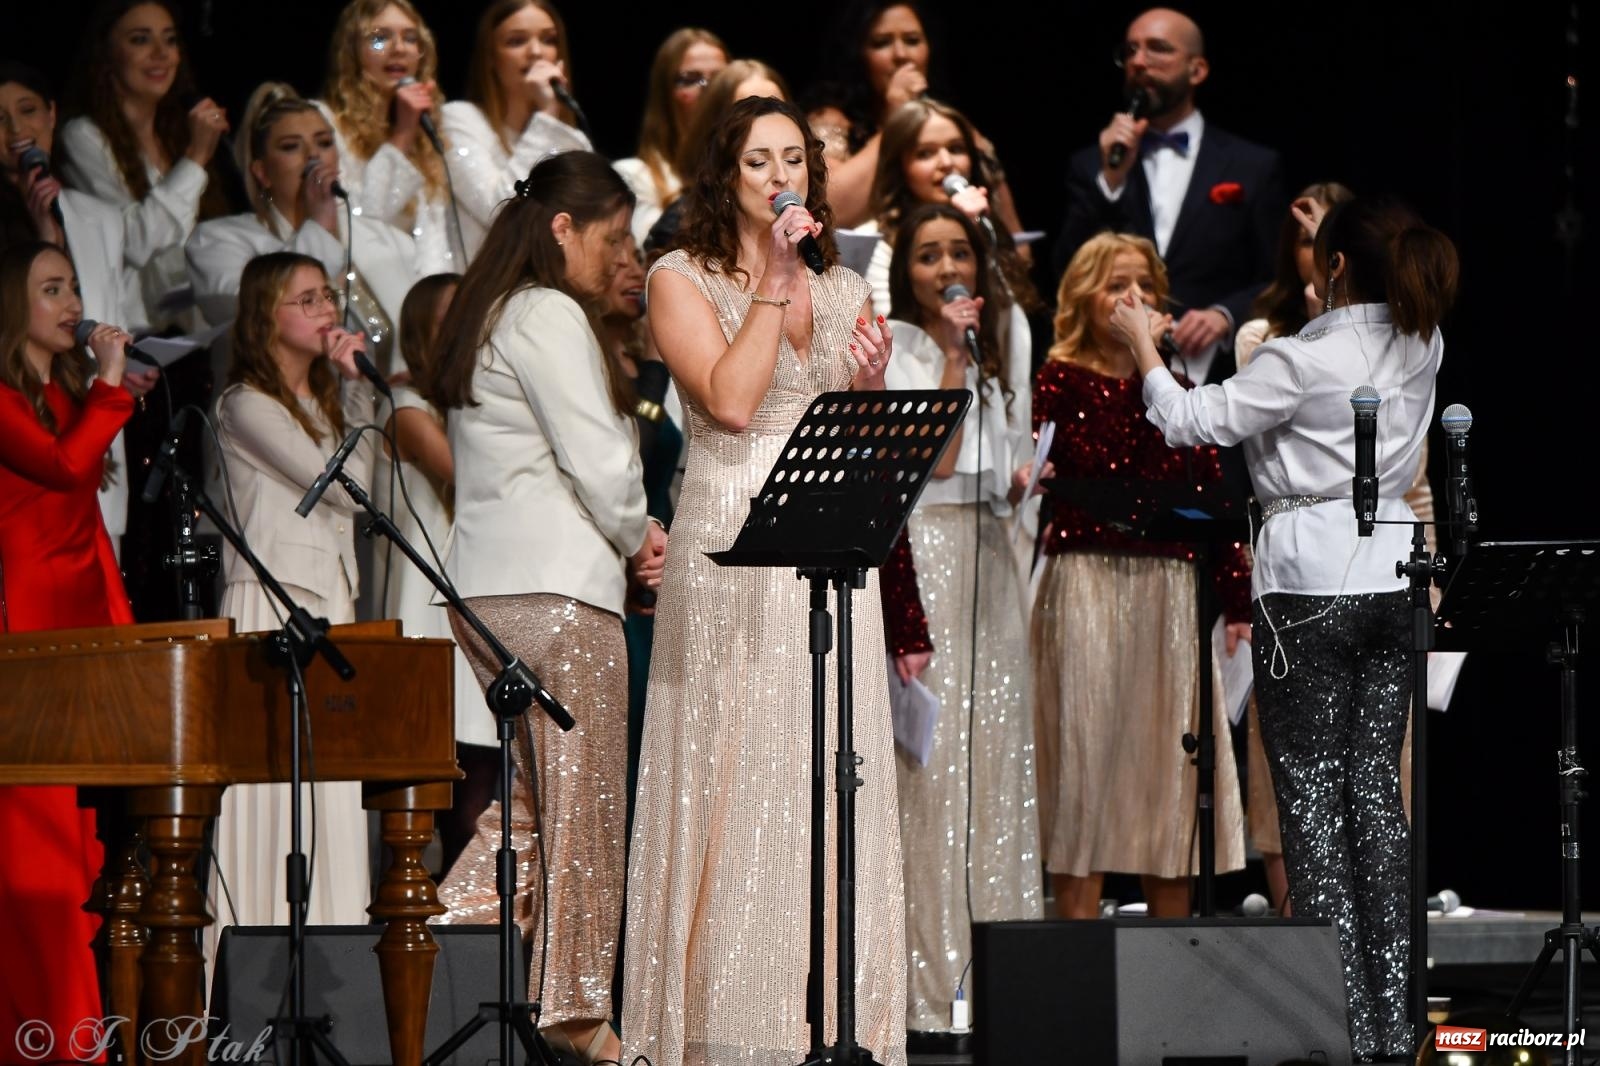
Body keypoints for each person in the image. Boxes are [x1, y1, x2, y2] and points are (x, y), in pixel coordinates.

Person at [1112, 195, 1458, 1058]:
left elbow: (1192, 421)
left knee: (1309, 799)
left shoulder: (1304, 356)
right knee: (1376, 793)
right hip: (1393, 581)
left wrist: (1139, 344)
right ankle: (1391, 1022)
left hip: (1307, 588)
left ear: (1332, 266)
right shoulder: (1425, 339)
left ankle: (1332, 1021)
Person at [622, 94, 906, 1066]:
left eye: (794, 158)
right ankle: (729, 1028)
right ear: (722, 176)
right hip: (730, 529)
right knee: (737, 763)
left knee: (829, 762)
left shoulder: (843, 289)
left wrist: (866, 390)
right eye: (757, 161)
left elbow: (861, 446)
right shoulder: (677, 279)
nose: (780, 175)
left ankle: (834, 1020)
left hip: (824, 538)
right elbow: (735, 405)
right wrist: (777, 279)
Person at [426, 150, 656, 1065]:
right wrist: (641, 531)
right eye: (615, 236)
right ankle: (577, 1016)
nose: (622, 255)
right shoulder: (548, 311)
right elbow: (599, 463)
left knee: (524, 810)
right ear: (564, 229)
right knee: (589, 809)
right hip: (558, 591)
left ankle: (429, 946)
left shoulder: (488, 314)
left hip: (488, 591)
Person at [1031, 231, 1250, 921]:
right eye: (1115, 285)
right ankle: (1070, 964)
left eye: (1144, 288)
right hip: (1086, 581)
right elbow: (1052, 474)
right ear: (1082, 296)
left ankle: (1172, 960)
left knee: (1168, 774)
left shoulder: (1178, 388)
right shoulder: (1059, 378)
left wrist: (1238, 600)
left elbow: (1211, 494)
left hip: (1167, 593)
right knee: (1084, 764)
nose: (1132, 299)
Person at [880, 202, 1043, 1038]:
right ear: (904, 273)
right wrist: (948, 354)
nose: (948, 268)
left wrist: (1019, 480)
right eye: (928, 255)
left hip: (990, 556)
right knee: (938, 773)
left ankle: (1001, 977)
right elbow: (931, 461)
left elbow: (988, 460)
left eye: (961, 253)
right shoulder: (902, 349)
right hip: (932, 559)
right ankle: (932, 987)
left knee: (998, 765)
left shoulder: (990, 352)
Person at [209, 251, 380, 959]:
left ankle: (330, 955)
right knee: (273, 787)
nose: (325, 312)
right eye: (305, 301)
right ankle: (251, 962)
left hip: (325, 602)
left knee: (327, 789)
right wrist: (365, 397)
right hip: (272, 608)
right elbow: (342, 487)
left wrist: (354, 398)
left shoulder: (319, 405)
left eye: (326, 298)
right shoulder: (244, 404)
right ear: (265, 318)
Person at [0, 241, 143, 1064]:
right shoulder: (8, 401)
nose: (71, 303)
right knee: (41, 844)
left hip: (83, 622)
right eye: (50, 288)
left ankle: (78, 1026)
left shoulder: (58, 393)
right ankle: (51, 1032)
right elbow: (62, 468)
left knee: (88, 845)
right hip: (31, 636)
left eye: (73, 287)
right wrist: (111, 385)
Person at [1049, 6, 1283, 388]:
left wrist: (1225, 315)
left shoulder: (1251, 165)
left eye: (1157, 49)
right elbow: (1067, 272)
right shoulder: (1094, 165)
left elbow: (1276, 276)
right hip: (1113, 375)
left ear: (1197, 69)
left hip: (1218, 378)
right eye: (1130, 51)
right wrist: (1109, 182)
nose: (1139, 61)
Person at [369, 271, 497, 877]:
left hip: (473, 602)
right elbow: (467, 471)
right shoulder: (406, 405)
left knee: (481, 790)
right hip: (427, 615)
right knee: (441, 799)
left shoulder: (475, 401)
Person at [186, 82, 420, 377]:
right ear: (262, 172)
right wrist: (319, 226)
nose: (313, 156)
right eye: (291, 147)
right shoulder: (219, 241)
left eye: (324, 142)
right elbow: (252, 318)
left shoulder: (388, 239)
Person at [59, 0, 231, 331]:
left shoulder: (178, 131)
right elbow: (136, 242)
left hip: (196, 330)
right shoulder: (84, 136)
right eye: (140, 40)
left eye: (169, 40)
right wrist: (195, 157)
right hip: (136, 340)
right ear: (106, 54)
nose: (161, 53)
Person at [441, 0, 592, 261]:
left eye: (548, 40)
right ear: (490, 57)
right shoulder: (460, 119)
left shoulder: (572, 139)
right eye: (517, 41)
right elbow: (499, 210)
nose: (536, 52)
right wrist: (546, 114)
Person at [320, 0, 457, 275]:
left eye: (410, 38)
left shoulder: (427, 131)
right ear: (351, 51)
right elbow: (362, 224)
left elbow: (435, 244)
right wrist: (403, 134)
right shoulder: (325, 124)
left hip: (417, 299)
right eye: (380, 38)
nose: (399, 48)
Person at [613, 27, 728, 245]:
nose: (710, 89)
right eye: (691, 79)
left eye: (720, 78)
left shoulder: (753, 168)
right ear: (665, 95)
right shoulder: (634, 176)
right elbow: (654, 256)